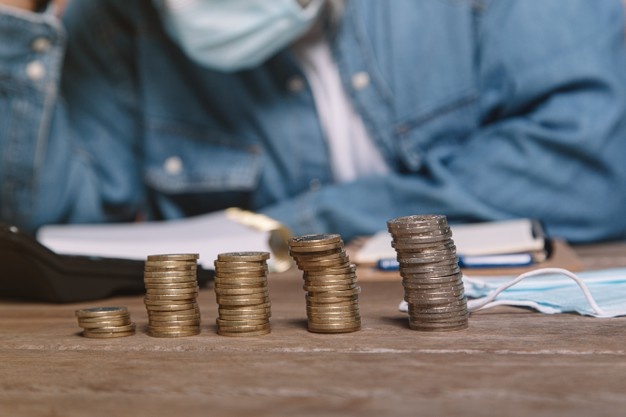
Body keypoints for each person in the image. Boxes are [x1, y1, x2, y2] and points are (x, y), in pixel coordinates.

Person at [1, 0, 626, 245]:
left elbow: (593, 170)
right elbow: (50, 235)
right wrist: (15, 17)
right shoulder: (116, 22)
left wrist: (301, 226)